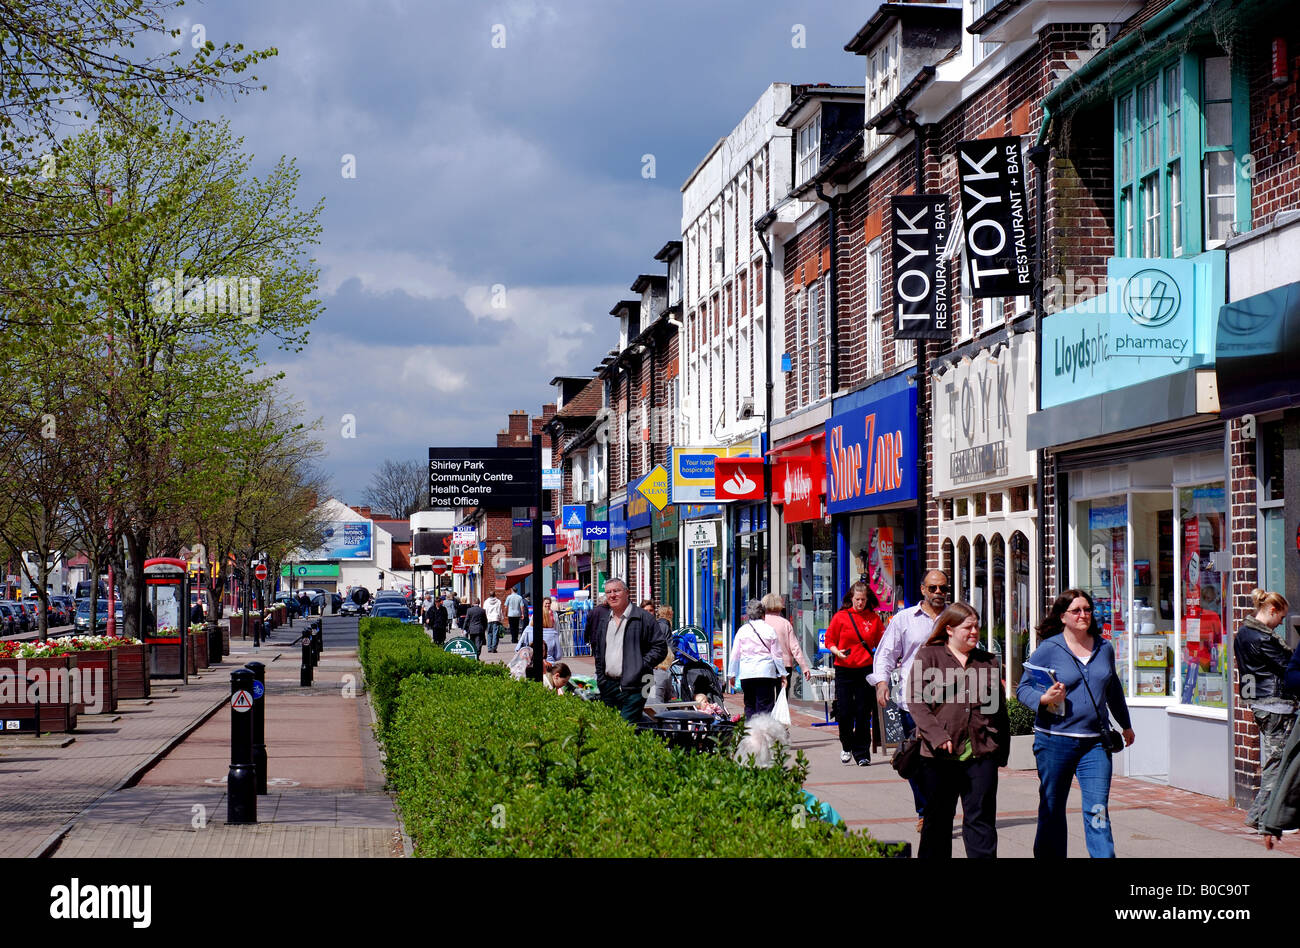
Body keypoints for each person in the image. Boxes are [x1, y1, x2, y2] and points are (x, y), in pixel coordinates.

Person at [1017, 588, 1135, 859]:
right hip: (1054, 740)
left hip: (1095, 743)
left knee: (1097, 809)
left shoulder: (1104, 647)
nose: (1083, 615)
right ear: (1063, 617)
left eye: (1087, 609)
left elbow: (1113, 689)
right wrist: (1044, 698)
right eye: (1076, 610)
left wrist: (1125, 724)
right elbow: (1023, 689)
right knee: (1052, 807)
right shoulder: (1049, 649)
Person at [906, 602, 1009, 859]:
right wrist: (937, 736)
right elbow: (917, 702)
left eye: (977, 627)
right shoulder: (929, 656)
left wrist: (1000, 750)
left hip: (981, 754)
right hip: (940, 756)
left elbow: (998, 710)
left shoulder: (988, 661)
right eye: (968, 627)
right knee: (937, 822)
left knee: (981, 822)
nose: (974, 632)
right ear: (949, 629)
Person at [872, 568, 949, 831]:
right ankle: (925, 811)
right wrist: (882, 683)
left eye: (943, 588)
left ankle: (939, 810)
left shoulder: (955, 617)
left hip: (949, 702)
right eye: (933, 588)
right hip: (913, 701)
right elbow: (885, 654)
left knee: (946, 762)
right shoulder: (904, 619)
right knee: (917, 759)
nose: (938, 593)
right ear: (922, 589)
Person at [1233, 588, 1295, 833]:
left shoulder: (1244, 634)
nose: (1280, 623)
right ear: (1271, 610)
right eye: (1280, 617)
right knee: (1278, 764)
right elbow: (1287, 668)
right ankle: (1263, 818)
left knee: (1275, 761)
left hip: (1261, 704)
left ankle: (1260, 817)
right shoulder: (1263, 638)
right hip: (1276, 705)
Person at [588, 578, 668, 722]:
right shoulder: (604, 620)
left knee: (625, 725)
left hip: (639, 685)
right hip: (608, 685)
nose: (612, 595)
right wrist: (601, 679)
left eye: (616, 591)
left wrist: (640, 665)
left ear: (627, 593)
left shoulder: (643, 618)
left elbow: (660, 647)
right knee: (611, 727)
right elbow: (599, 652)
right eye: (608, 592)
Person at [825, 582, 884, 766]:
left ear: (868, 600)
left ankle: (862, 753)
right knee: (844, 710)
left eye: (863, 600)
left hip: (865, 669)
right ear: (851, 598)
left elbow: (882, 643)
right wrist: (837, 651)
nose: (860, 603)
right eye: (857, 599)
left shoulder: (873, 618)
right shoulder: (841, 617)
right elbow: (829, 639)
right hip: (844, 668)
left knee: (863, 711)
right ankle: (846, 745)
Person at [727, 599, 788, 718]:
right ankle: (763, 734)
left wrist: (732, 674)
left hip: (747, 674)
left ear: (748, 615)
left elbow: (735, 654)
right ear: (763, 614)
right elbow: (777, 655)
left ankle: (751, 733)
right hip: (766, 673)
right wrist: (782, 674)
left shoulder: (742, 631)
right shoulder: (769, 630)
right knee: (765, 707)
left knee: (750, 706)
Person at [761, 593, 811, 688]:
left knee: (766, 698)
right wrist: (804, 666)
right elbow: (795, 647)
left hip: (765, 665)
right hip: (784, 664)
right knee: (782, 697)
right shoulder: (785, 623)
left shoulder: (761, 622)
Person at [483, 588, 504, 653]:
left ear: (489, 595)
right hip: (496, 619)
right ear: (495, 595)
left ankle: (489, 648)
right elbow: (499, 611)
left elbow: (485, 611)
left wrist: (485, 618)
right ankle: (494, 648)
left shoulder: (486, 602)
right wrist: (501, 618)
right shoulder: (498, 601)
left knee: (489, 633)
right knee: (495, 634)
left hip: (489, 619)